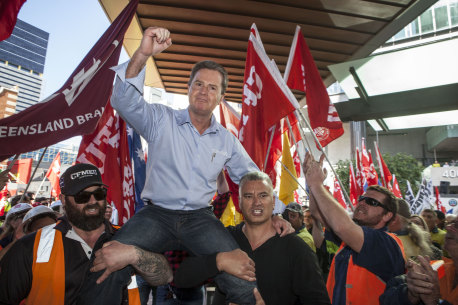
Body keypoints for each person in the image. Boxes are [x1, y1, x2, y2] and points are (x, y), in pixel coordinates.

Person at [78, 27, 289, 305]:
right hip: (155, 216)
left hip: (200, 219)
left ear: (221, 97)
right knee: (105, 259)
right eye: (198, 84)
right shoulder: (160, 120)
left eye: (212, 87)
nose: (204, 91)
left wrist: (275, 213)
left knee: (242, 274)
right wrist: (143, 54)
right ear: (188, 88)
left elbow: (251, 178)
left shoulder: (227, 140)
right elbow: (123, 100)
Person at [0, 163, 172, 305]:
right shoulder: (32, 246)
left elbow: (165, 276)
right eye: (82, 196)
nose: (92, 201)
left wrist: (135, 255)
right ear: (63, 200)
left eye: (99, 194)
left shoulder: (128, 237)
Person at [173, 172, 331, 305]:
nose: (256, 203)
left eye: (263, 195)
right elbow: (180, 277)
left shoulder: (296, 249)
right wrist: (218, 261)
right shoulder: (223, 237)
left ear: (273, 202)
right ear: (239, 202)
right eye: (248, 196)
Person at [303, 152, 405, 305]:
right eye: (362, 199)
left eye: (372, 202)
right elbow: (317, 213)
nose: (363, 203)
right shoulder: (350, 239)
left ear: (387, 216)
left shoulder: (387, 243)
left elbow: (342, 226)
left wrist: (317, 184)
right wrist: (311, 182)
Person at [380, 217, 458, 305]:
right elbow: (387, 298)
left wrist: (434, 302)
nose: (448, 227)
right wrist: (411, 295)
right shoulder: (435, 268)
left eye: (457, 225)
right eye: (450, 223)